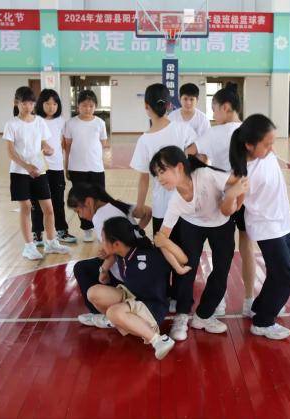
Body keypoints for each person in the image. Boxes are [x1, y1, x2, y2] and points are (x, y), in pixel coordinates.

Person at [150, 146, 248, 341]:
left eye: (162, 171)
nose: (159, 178)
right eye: (156, 174)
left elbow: (241, 181)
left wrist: (235, 205)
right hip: (192, 226)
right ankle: (182, 315)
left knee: (221, 270)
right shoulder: (175, 202)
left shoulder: (205, 175)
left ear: (179, 167)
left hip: (221, 224)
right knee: (188, 268)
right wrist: (178, 267)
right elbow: (162, 240)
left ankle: (203, 316)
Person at [185, 82, 255, 316]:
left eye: (214, 109)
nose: (213, 115)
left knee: (221, 252)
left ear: (226, 107)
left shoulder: (214, 132)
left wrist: (205, 165)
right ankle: (248, 300)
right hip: (246, 194)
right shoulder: (251, 130)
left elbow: (190, 151)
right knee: (247, 247)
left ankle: (220, 300)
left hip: (220, 197)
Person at [130, 83, 197, 312]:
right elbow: (197, 159)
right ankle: (181, 298)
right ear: (169, 105)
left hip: (161, 209)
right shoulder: (182, 129)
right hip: (186, 205)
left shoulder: (144, 140)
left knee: (164, 252)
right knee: (184, 253)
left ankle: (166, 297)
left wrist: (140, 207)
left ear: (146, 107)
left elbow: (143, 179)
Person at [229, 114, 290, 340]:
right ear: (249, 145)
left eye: (272, 142)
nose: (271, 147)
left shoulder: (265, 154)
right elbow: (235, 206)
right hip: (266, 226)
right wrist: (234, 191)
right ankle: (263, 322)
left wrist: (267, 147)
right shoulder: (244, 173)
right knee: (284, 275)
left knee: (288, 266)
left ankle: (261, 306)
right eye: (267, 144)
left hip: (282, 220)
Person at [85, 217, 176, 360]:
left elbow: (173, 265)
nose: (101, 243)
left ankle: (157, 340)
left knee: (113, 312)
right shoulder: (122, 253)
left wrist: (179, 267)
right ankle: (120, 322)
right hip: (133, 297)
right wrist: (103, 270)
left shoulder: (147, 257)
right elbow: (111, 257)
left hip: (151, 307)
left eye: (103, 240)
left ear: (116, 244)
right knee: (93, 293)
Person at [67, 182, 153, 327]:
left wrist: (104, 270)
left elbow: (114, 253)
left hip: (128, 274)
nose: (80, 216)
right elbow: (148, 211)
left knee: (82, 269)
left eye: (78, 211)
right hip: (142, 268)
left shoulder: (101, 217)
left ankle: (101, 315)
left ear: (88, 202)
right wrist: (137, 231)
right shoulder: (116, 204)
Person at [3, 86, 70, 260]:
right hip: (20, 172)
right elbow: (11, 152)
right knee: (25, 208)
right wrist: (26, 166)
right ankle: (29, 246)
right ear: (16, 103)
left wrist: (48, 149)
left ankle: (51, 242)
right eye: (24, 103)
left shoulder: (39, 121)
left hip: (39, 171)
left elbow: (42, 143)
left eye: (31, 103)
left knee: (48, 208)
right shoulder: (11, 124)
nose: (28, 106)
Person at [31, 89, 77, 246]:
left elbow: (64, 144)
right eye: (47, 103)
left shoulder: (61, 121)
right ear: (40, 104)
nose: (51, 107)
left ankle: (61, 231)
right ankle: (37, 233)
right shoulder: (34, 120)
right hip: (38, 168)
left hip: (56, 168)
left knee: (58, 201)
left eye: (54, 103)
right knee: (37, 202)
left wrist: (66, 166)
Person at [63, 90, 110, 242]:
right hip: (77, 168)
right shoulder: (71, 123)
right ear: (78, 107)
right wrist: (66, 167)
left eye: (91, 106)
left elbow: (103, 144)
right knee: (81, 200)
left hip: (96, 168)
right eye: (84, 105)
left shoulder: (100, 123)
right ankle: (87, 229)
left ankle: (100, 227)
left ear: (95, 106)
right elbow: (67, 147)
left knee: (99, 198)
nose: (87, 108)